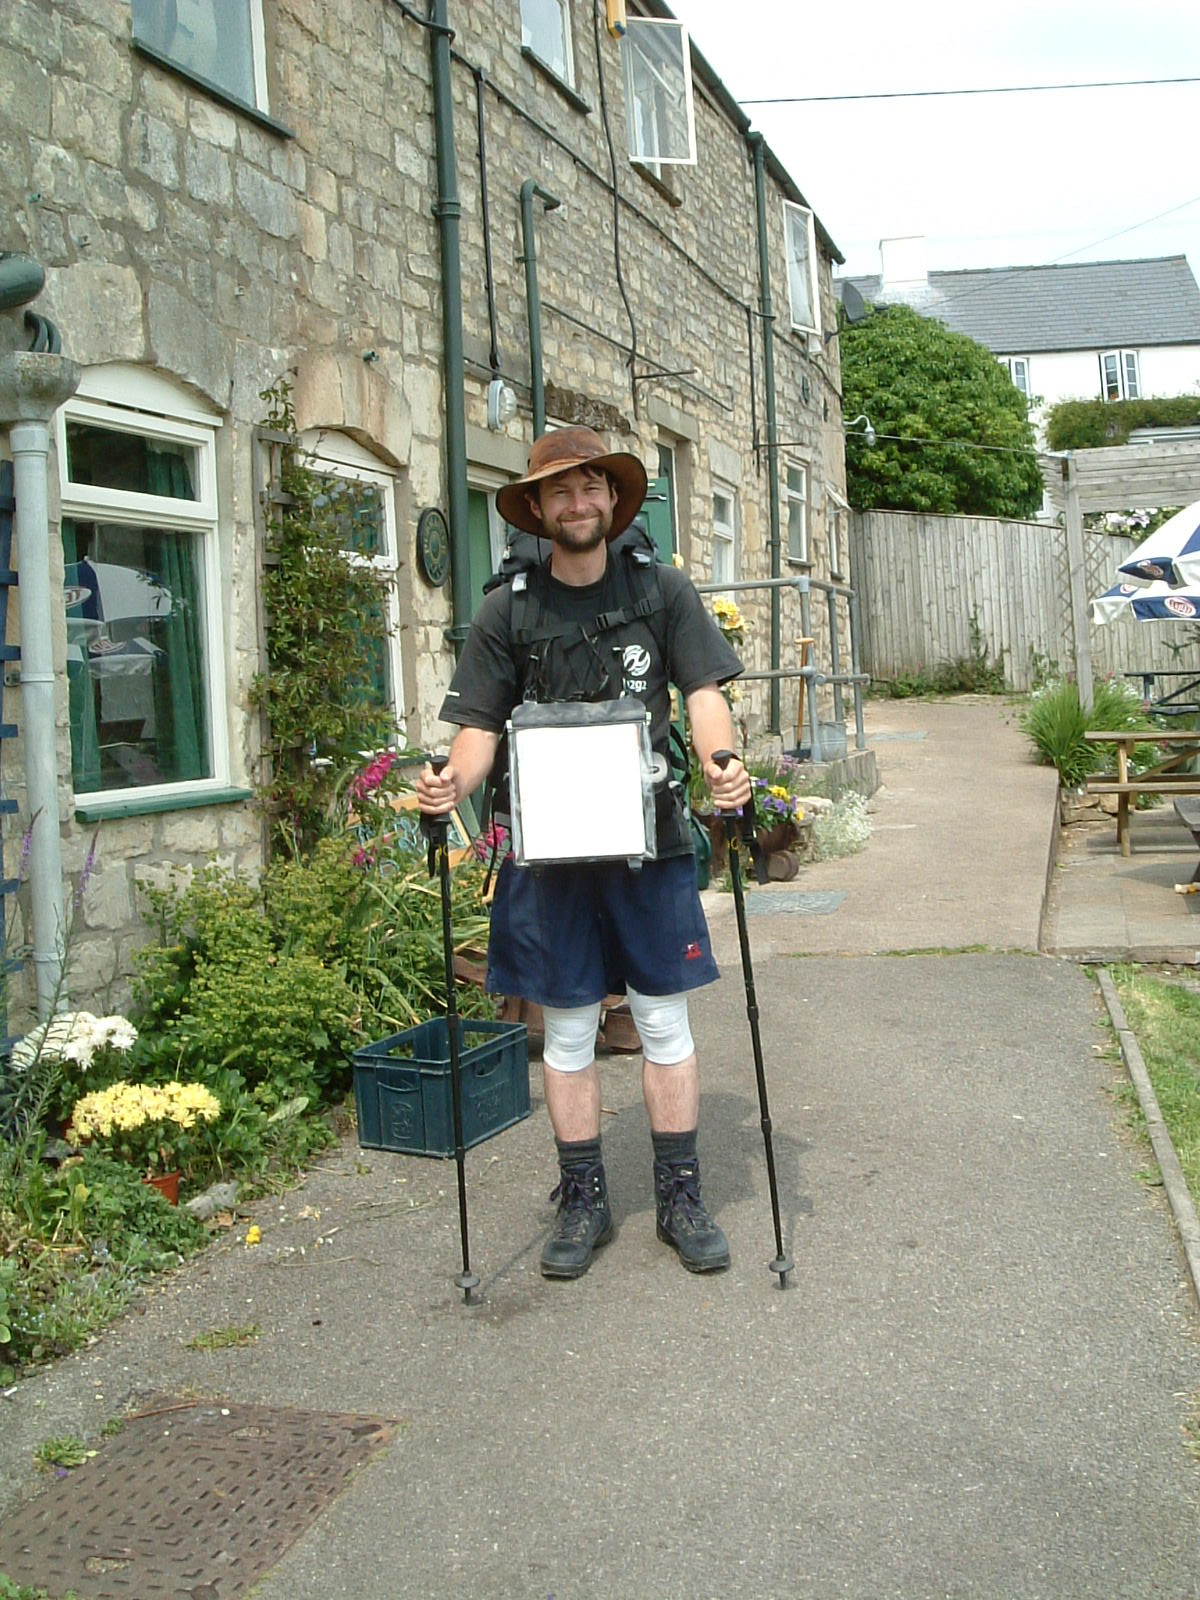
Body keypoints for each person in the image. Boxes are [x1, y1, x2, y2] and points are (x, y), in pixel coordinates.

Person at [416, 426, 751, 1279]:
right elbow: (477, 733)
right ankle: (584, 1201)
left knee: (663, 1021)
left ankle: (680, 1193)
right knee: (566, 1033)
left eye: (591, 487)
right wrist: (451, 783)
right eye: (560, 492)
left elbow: (703, 696)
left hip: (654, 844)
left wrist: (723, 763)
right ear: (536, 508)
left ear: (613, 498)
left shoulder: (663, 591)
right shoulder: (508, 609)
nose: (578, 503)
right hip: (547, 853)